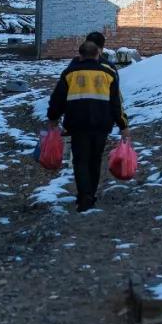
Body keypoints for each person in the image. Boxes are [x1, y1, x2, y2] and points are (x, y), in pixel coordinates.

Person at [46, 38, 129, 212]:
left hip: (77, 124)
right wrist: (123, 125)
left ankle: (85, 196)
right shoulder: (108, 73)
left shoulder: (70, 73)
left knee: (80, 160)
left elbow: (58, 99)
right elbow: (116, 103)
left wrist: (53, 117)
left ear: (80, 55)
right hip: (101, 124)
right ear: (98, 53)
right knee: (95, 159)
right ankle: (91, 192)